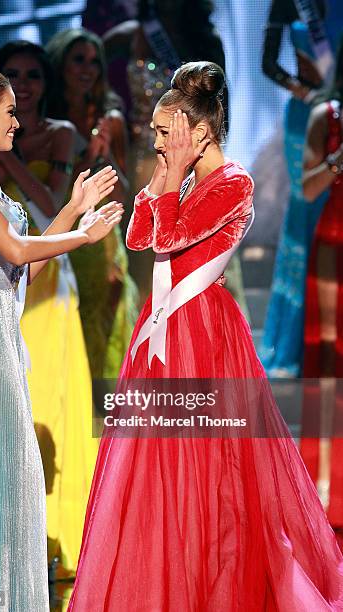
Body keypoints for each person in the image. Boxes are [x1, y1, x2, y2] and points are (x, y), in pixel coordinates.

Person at [68, 62, 343, 611]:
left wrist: (170, 177)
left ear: (200, 130)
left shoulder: (236, 185)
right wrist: (163, 176)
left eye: (165, 131)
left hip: (205, 335)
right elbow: (142, 235)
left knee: (211, 471)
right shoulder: (182, 179)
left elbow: (170, 233)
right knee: (158, 468)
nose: (157, 140)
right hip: (162, 332)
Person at [0, 67, 122, 609]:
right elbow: (18, 253)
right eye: (10, 113)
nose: (18, 123)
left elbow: (16, 276)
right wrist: (83, 235)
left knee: (4, 480)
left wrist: (71, 208)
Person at [0, 40, 98, 574]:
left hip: (50, 278)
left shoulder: (60, 135)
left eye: (33, 75)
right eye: (13, 74)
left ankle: (59, 540)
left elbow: (53, 208)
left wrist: (5, 156)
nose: (25, 84)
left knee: (52, 403)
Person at [102, 0, 250, 317]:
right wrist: (111, 108)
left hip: (198, 160)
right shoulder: (130, 35)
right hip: (147, 159)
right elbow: (85, 69)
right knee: (150, 267)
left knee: (205, 257)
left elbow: (222, 112)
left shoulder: (204, 40)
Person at [46, 28, 138, 379]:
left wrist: (102, 155)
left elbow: (123, 190)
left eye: (94, 62)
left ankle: (104, 416)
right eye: (78, 60)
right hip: (59, 235)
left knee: (107, 327)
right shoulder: (43, 120)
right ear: (60, 64)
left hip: (101, 241)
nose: (87, 69)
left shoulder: (109, 119)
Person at [259, 0, 329, 377]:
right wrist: (304, 92)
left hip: (338, 109)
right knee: (306, 212)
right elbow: (267, 64)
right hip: (306, 113)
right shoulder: (289, 3)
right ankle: (295, 342)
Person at [300, 38, 343, 531]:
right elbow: (306, 186)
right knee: (331, 359)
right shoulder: (326, 115)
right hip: (333, 240)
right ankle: (326, 488)